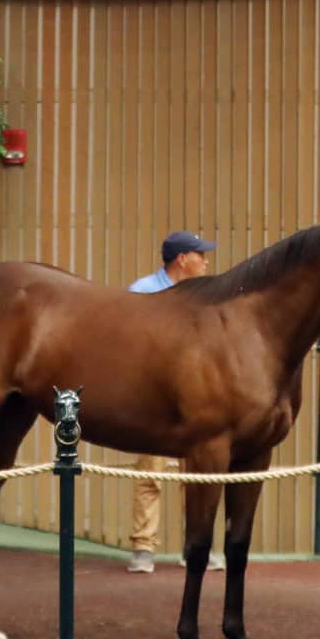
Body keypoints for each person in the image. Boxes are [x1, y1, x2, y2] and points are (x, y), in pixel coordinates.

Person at [126, 230, 223, 574]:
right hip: (155, 399)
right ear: (183, 259)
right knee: (150, 471)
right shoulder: (142, 293)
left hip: (195, 399)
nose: (207, 261)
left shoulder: (205, 297)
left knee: (198, 475)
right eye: (201, 254)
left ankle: (196, 548)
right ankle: (142, 548)